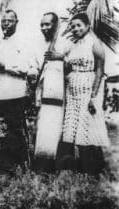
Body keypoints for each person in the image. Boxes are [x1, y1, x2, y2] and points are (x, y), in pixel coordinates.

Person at [56, 13, 110, 175]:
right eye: (73, 26)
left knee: (90, 126)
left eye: (79, 25)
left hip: (89, 89)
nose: (76, 29)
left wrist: (94, 97)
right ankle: (84, 166)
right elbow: (65, 62)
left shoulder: (95, 43)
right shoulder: (73, 45)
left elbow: (100, 70)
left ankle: (97, 168)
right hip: (73, 91)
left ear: (87, 26)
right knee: (76, 128)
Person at [0, 9, 37, 168]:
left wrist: (4, 67)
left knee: (16, 131)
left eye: (9, 21)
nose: (6, 24)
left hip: (16, 94)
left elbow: (28, 69)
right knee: (2, 132)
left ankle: (21, 164)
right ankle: (6, 165)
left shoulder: (24, 42)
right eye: (3, 21)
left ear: (17, 22)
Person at [33, 12, 70, 173]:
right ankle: (40, 165)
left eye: (48, 24)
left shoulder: (65, 44)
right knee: (42, 130)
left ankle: (55, 166)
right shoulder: (38, 44)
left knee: (55, 130)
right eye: (42, 24)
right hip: (43, 95)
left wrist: (60, 57)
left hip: (58, 95)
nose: (44, 28)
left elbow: (75, 65)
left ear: (56, 25)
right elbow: (35, 68)